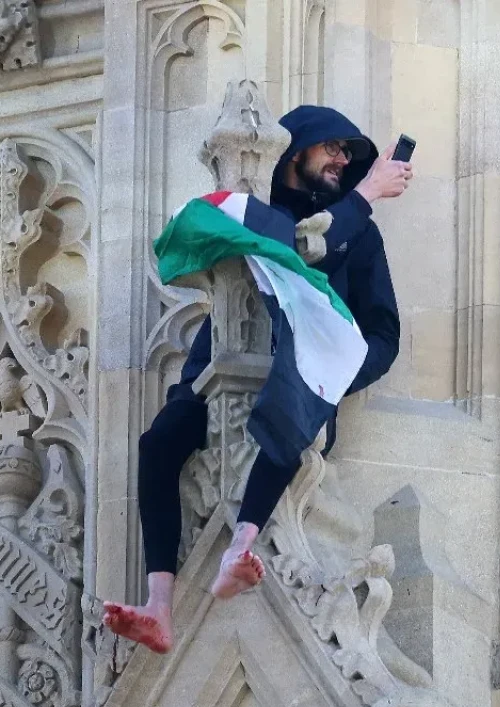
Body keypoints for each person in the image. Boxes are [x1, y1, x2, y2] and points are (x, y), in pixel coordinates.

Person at [102, 105, 410, 654]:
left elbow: (384, 334)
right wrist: (364, 199)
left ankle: (238, 550)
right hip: (217, 368)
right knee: (159, 442)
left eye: (349, 154)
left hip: (301, 382)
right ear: (297, 151)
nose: (344, 159)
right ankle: (158, 605)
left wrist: (333, 370)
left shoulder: (358, 236)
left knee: (290, 415)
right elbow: (293, 244)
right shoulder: (257, 214)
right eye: (334, 147)